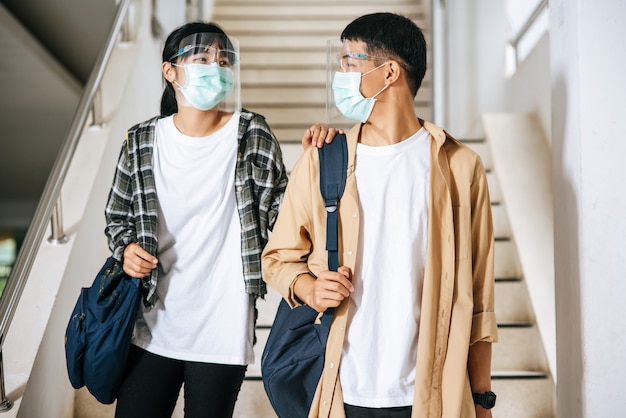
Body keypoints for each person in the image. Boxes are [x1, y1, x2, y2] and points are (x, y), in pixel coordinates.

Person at [262, 12, 498, 418]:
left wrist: (481, 400)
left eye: (350, 63)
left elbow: (479, 299)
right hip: (340, 388)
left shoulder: (461, 166)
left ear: (388, 72)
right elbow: (278, 258)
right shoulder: (323, 159)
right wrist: (309, 288)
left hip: (431, 395)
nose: (340, 74)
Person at [103, 21, 333, 418]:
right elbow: (117, 217)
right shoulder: (140, 141)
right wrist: (127, 250)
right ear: (169, 71)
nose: (217, 66)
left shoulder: (250, 133)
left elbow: (282, 217)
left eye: (224, 60)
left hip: (222, 326)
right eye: (203, 57)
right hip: (150, 320)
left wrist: (311, 164)